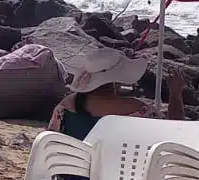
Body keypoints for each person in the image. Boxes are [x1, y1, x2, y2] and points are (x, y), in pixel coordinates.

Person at [48, 56, 186, 139]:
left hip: (71, 179)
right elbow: (175, 130)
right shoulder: (140, 110)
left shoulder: (65, 106)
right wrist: (175, 93)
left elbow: (51, 138)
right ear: (117, 80)